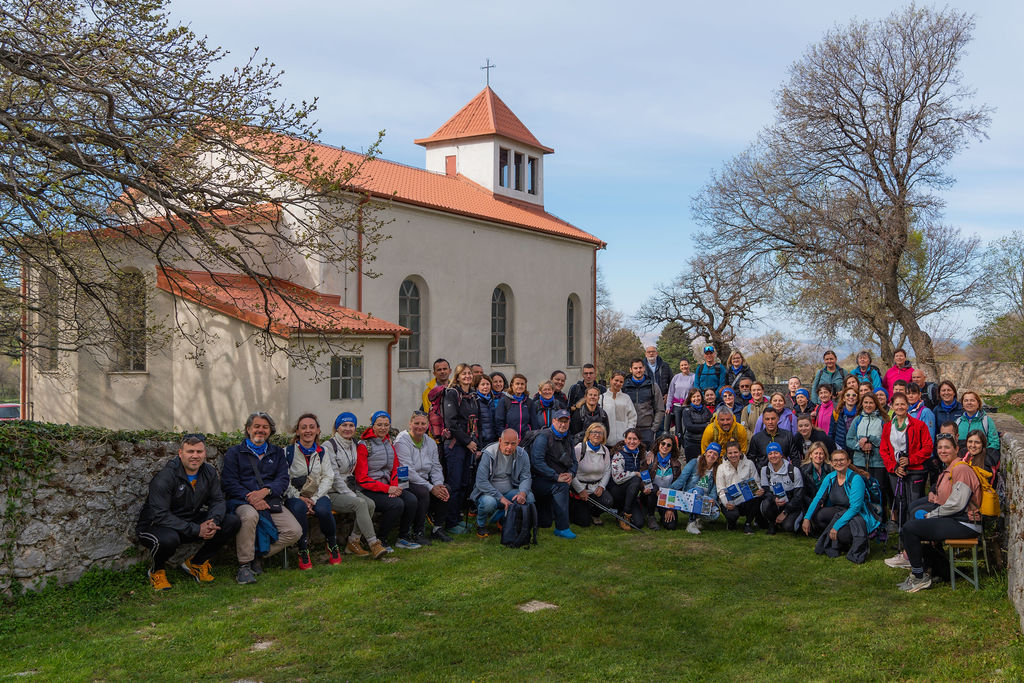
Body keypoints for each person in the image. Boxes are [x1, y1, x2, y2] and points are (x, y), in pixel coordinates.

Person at [137, 433, 241, 590]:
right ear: (181, 453)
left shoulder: (208, 472)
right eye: (190, 451)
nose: (195, 456)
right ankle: (156, 571)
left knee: (231, 522)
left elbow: (218, 500)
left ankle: (196, 563)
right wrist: (197, 529)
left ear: (205, 453)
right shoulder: (166, 476)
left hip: (189, 521)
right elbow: (160, 515)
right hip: (157, 525)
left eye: (199, 451)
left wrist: (213, 521)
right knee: (169, 539)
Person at [892, 433, 982, 593]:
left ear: (956, 449)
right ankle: (938, 571)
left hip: (966, 522)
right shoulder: (951, 468)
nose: (942, 451)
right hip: (956, 519)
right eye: (939, 447)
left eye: (947, 447)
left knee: (911, 529)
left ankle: (919, 577)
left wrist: (931, 515)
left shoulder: (961, 469)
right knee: (911, 528)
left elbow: (957, 504)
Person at [221, 412, 302, 584]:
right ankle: (244, 565)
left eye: (265, 427)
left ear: (270, 431)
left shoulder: (277, 452)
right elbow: (229, 482)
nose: (260, 430)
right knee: (250, 515)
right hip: (243, 501)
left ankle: (258, 555)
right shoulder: (235, 452)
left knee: (294, 531)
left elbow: (283, 479)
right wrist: (251, 498)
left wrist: (265, 491)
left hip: (270, 500)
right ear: (248, 429)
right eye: (256, 426)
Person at [323, 412, 387, 558]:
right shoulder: (329, 446)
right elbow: (334, 476)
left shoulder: (354, 444)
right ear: (337, 427)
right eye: (344, 425)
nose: (348, 428)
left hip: (349, 489)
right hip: (332, 492)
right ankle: (374, 544)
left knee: (370, 504)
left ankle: (353, 542)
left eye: (351, 425)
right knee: (361, 503)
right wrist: (351, 495)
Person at [355, 411, 422, 549]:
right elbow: (362, 478)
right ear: (373, 425)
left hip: (388, 486)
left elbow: (395, 468)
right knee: (396, 504)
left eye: (386, 425)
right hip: (369, 489)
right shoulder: (364, 445)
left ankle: (403, 537)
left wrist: (395, 486)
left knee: (411, 500)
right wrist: (388, 489)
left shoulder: (388, 442)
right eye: (379, 425)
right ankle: (381, 539)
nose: (383, 428)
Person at [881, 393, 933, 562]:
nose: (900, 407)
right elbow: (884, 450)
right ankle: (904, 542)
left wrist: (911, 460)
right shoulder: (887, 427)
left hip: (915, 470)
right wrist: (894, 467)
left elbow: (927, 447)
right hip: (896, 472)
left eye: (903, 404)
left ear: (908, 406)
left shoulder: (919, 425)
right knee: (901, 504)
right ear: (892, 406)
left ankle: (916, 542)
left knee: (914, 505)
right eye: (897, 404)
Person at [801, 450, 879, 562]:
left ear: (848, 462)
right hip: (839, 511)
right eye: (835, 460)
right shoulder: (830, 477)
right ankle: (838, 540)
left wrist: (836, 526)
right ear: (832, 463)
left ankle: (845, 540)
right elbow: (818, 498)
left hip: (857, 515)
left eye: (842, 460)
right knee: (819, 516)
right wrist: (807, 518)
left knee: (841, 534)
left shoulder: (856, 479)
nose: (839, 463)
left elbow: (855, 508)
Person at [284, 414, 340, 569]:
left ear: (318, 430)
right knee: (299, 508)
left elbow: (328, 477)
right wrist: (299, 497)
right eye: (303, 427)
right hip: (294, 496)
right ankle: (303, 549)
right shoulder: (287, 452)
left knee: (323, 510)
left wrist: (314, 499)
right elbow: (284, 479)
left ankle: (332, 544)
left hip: (318, 494)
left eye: (311, 427)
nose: (308, 431)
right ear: (297, 431)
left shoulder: (323, 452)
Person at [394, 411, 451, 546]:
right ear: (410, 424)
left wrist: (438, 484)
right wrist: (431, 488)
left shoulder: (430, 442)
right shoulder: (401, 441)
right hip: (404, 479)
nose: (420, 426)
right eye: (416, 423)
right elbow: (408, 471)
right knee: (423, 492)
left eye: (423, 423)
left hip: (423, 479)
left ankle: (437, 528)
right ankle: (418, 531)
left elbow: (436, 466)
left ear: (428, 425)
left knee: (446, 489)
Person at [472, 429, 534, 537]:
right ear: (500, 441)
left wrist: (522, 493)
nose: (509, 447)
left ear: (518, 442)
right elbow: (481, 481)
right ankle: (481, 524)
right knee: (488, 503)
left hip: (510, 492)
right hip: (489, 494)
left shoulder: (522, 454)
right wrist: (501, 498)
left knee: (529, 497)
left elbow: (526, 477)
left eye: (513, 444)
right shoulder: (489, 453)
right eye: (506, 443)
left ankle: (502, 519)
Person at [443, 363, 482, 533]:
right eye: (463, 373)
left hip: (469, 445)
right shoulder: (452, 394)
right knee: (455, 483)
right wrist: (467, 442)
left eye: (469, 373)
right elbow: (451, 422)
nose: (467, 376)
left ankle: (458, 517)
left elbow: (475, 422)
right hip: (455, 446)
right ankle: (450, 522)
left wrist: (476, 444)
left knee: (464, 483)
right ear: (457, 377)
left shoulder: (472, 395)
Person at [529, 409, 578, 539]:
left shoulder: (569, 437)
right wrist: (556, 477)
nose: (563, 424)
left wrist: (571, 474)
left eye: (566, 421)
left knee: (545, 523)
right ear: (554, 421)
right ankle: (562, 528)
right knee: (561, 487)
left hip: (555, 479)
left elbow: (574, 461)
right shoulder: (543, 437)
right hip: (538, 480)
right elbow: (537, 462)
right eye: (560, 421)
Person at [845, 392, 888, 514]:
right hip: (860, 462)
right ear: (862, 404)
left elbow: (887, 441)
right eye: (866, 402)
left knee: (878, 490)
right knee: (861, 490)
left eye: (871, 403)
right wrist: (860, 446)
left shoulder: (882, 420)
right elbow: (849, 440)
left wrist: (871, 440)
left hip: (878, 463)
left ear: (876, 404)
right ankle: (863, 517)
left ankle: (880, 517)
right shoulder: (857, 420)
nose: (868, 405)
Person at [670, 442, 722, 534]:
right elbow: (681, 480)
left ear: (717, 458)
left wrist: (712, 500)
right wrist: (668, 491)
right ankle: (691, 523)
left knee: (715, 514)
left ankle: (698, 519)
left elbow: (714, 491)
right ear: (705, 453)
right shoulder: (694, 463)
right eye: (710, 452)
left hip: (704, 500)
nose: (712, 455)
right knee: (698, 491)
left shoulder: (717, 470)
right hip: (689, 497)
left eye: (715, 454)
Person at [570, 423, 614, 527]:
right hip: (579, 489)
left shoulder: (605, 450)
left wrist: (601, 486)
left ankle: (595, 514)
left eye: (600, 433)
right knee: (584, 523)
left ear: (603, 436)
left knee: (608, 501)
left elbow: (607, 470)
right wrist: (580, 490)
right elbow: (571, 471)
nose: (597, 435)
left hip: (595, 488)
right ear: (588, 435)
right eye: (594, 432)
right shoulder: (579, 449)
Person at [759, 442, 806, 535]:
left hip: (792, 504)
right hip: (776, 503)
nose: (773, 456)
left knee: (789, 527)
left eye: (776, 453)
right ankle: (772, 524)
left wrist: (785, 512)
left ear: (781, 454)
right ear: (767, 456)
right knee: (765, 504)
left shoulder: (794, 470)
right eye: (770, 453)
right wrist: (774, 498)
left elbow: (798, 496)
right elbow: (765, 491)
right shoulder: (765, 470)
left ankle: (793, 519)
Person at [716, 440, 762, 534]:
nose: (733, 455)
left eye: (735, 452)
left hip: (746, 500)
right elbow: (720, 490)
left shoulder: (749, 464)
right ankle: (731, 522)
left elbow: (756, 482)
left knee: (757, 498)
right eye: (730, 453)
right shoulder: (721, 468)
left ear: (740, 452)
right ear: (726, 454)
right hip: (730, 501)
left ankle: (748, 524)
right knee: (732, 516)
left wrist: (758, 490)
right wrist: (726, 503)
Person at [608, 428, 649, 530]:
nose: (632, 441)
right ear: (625, 440)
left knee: (639, 524)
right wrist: (635, 473)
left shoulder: (642, 454)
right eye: (629, 438)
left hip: (631, 494)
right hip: (617, 491)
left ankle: (622, 512)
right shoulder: (618, 454)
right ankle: (625, 514)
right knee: (636, 479)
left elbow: (644, 473)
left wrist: (647, 487)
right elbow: (617, 478)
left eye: (635, 439)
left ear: (639, 441)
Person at [623, 358, 665, 445]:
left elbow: (660, 409)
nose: (638, 370)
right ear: (631, 369)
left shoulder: (653, 386)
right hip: (628, 429)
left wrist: (653, 429)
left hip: (647, 430)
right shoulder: (624, 386)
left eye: (640, 368)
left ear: (644, 368)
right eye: (635, 368)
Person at [645, 434, 683, 530]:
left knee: (671, 526)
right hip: (651, 495)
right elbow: (643, 478)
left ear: (672, 447)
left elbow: (678, 487)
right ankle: (650, 516)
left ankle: (663, 513)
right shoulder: (650, 459)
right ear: (658, 444)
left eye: (668, 445)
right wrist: (650, 489)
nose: (665, 446)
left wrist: (671, 508)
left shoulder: (676, 464)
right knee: (653, 488)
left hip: (667, 498)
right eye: (663, 443)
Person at [956, 391, 1001, 469]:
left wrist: (983, 457)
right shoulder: (958, 422)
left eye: (972, 400)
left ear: (978, 403)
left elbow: (994, 443)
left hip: (981, 461)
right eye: (966, 400)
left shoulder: (986, 421)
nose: (969, 403)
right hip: (962, 461)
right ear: (962, 404)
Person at [601, 371, 637, 445]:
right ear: (611, 380)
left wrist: (628, 432)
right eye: (616, 380)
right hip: (606, 440)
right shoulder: (602, 398)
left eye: (621, 382)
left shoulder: (626, 398)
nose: (618, 383)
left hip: (623, 439)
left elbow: (632, 417)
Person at [496, 373, 533, 440]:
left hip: (526, 440)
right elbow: (499, 423)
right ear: (512, 385)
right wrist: (504, 438)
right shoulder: (504, 401)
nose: (520, 386)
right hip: (510, 440)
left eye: (522, 384)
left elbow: (534, 423)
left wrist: (531, 437)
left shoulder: (529, 402)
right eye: (517, 384)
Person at [679, 388, 712, 461]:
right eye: (693, 397)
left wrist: (702, 426)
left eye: (698, 396)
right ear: (690, 398)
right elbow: (690, 426)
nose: (696, 399)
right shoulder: (686, 411)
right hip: (691, 443)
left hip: (704, 442)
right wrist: (706, 425)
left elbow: (712, 423)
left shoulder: (706, 409)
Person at [800, 441, 833, 512]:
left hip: (827, 503)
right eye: (816, 453)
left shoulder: (831, 469)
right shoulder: (803, 470)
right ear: (810, 455)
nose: (818, 456)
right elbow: (802, 493)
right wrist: (815, 504)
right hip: (810, 504)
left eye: (821, 453)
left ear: (825, 455)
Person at [665, 359, 695, 435]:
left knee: (687, 427)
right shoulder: (676, 377)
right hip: (677, 406)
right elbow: (671, 392)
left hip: (688, 405)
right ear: (680, 367)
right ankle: (678, 441)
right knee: (678, 429)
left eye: (685, 365)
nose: (684, 367)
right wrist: (668, 406)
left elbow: (695, 392)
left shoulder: (693, 377)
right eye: (682, 365)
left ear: (689, 365)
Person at [833, 388, 861, 458]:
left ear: (857, 398)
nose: (851, 397)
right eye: (848, 395)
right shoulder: (837, 413)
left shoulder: (861, 414)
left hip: (856, 449)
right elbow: (831, 432)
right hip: (841, 447)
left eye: (854, 395)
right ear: (844, 398)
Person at [473, 374, 497, 446]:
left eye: (488, 384)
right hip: (480, 441)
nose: (485, 387)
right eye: (482, 384)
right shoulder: (474, 401)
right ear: (477, 387)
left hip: (492, 440)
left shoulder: (492, 401)